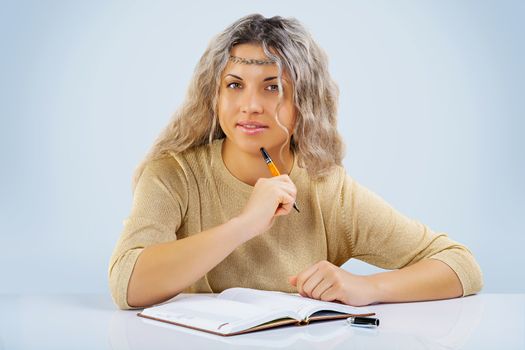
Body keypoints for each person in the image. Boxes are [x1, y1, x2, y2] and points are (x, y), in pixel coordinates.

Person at [108, 14, 483, 310]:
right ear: (214, 96)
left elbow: (460, 266)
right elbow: (127, 284)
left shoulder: (326, 189)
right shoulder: (173, 175)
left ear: (305, 102)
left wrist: (368, 287)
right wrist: (245, 224)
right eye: (234, 84)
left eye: (273, 88)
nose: (251, 105)